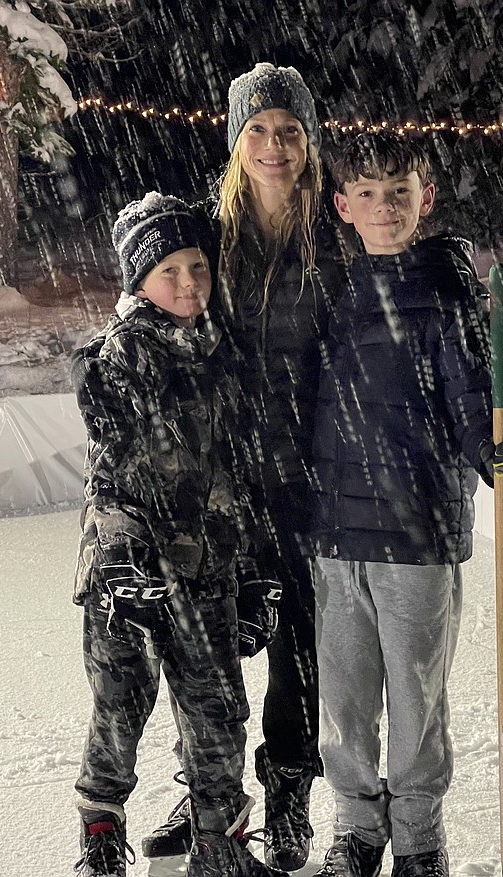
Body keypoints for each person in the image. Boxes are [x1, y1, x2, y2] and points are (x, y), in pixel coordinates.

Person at [309, 132, 503, 877]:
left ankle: (419, 835)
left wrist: (493, 447)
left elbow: (474, 392)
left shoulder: (448, 288)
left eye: (399, 191)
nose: (385, 207)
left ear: (425, 198)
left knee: (415, 694)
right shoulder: (334, 291)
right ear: (343, 206)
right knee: (343, 696)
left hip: (416, 528)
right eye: (367, 194)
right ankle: (356, 827)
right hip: (338, 529)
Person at [141, 63, 344, 873]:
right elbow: (155, 306)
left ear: (310, 140)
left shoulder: (333, 233)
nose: (273, 145)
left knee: (299, 642)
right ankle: (212, 790)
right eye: (257, 130)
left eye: (289, 130)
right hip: (217, 473)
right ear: (235, 141)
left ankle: (290, 790)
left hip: (307, 470)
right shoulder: (206, 237)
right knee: (205, 643)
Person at [70, 192, 283, 877]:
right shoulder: (123, 357)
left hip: (209, 570)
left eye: (198, 266)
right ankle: (101, 820)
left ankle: (220, 842)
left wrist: (255, 571)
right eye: (170, 270)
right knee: (122, 701)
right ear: (138, 282)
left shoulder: (225, 354)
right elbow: (108, 476)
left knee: (219, 710)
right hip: (127, 580)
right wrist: (122, 563)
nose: (189, 282)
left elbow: (240, 470)